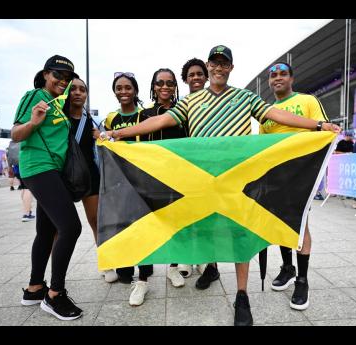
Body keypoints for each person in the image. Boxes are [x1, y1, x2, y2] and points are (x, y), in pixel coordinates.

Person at [98, 45, 340, 326]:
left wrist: (318, 125)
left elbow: (276, 115)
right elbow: (158, 121)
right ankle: (206, 269)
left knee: (240, 235)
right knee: (206, 230)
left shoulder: (245, 97)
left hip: (236, 182)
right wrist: (116, 133)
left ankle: (241, 296)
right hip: (201, 182)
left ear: (231, 68)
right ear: (209, 66)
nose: (218, 68)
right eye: (214, 63)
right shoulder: (191, 101)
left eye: (224, 64)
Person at [12, 55, 83, 320]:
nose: (62, 82)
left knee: (46, 230)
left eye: (67, 79)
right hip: (39, 167)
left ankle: (34, 288)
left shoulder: (58, 104)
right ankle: (55, 295)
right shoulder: (35, 96)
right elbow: (16, 133)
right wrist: (33, 123)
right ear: (45, 74)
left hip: (50, 170)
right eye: (57, 76)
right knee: (71, 227)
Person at [259, 61, 329, 311]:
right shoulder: (266, 112)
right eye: (273, 75)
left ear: (292, 78)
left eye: (282, 74)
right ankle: (287, 268)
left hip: (301, 173)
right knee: (281, 223)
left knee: (300, 225)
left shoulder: (308, 101)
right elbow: (263, 147)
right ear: (269, 81)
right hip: (277, 177)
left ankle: (302, 280)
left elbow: (324, 132)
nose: (277, 78)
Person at [98, 72, 154, 306]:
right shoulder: (111, 118)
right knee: (122, 225)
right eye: (119, 88)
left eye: (128, 87)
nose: (123, 92)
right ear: (114, 91)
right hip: (118, 181)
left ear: (135, 90)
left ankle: (144, 274)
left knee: (142, 226)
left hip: (140, 179)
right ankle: (125, 263)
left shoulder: (145, 114)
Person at [62, 77, 118, 283]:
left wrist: (101, 137)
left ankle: (106, 262)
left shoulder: (93, 122)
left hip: (90, 177)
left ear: (86, 94)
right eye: (73, 89)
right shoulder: (60, 119)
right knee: (59, 227)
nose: (78, 92)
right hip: (63, 176)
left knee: (97, 221)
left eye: (82, 89)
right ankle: (57, 270)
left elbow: (108, 145)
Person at [140, 68, 188, 289]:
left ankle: (173, 267)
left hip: (177, 178)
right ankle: (141, 281)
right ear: (153, 86)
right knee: (148, 227)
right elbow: (138, 148)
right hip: (151, 178)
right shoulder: (146, 114)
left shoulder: (184, 111)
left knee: (175, 224)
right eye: (160, 83)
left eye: (170, 83)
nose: (165, 87)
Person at [178, 58, 209, 278]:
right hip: (184, 167)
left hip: (207, 168)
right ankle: (187, 259)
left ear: (206, 76)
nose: (196, 77)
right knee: (186, 215)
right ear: (185, 79)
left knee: (206, 216)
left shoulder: (216, 100)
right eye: (191, 75)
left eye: (200, 73)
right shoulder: (182, 104)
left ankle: (204, 258)